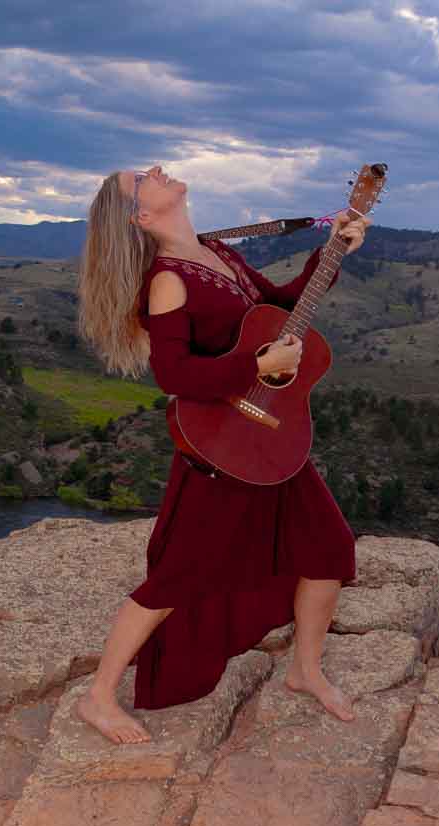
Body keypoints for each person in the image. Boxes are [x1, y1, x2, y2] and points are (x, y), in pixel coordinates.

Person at [74, 164, 370, 745]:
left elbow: (281, 306)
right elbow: (173, 374)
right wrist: (257, 367)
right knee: (176, 578)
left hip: (268, 439)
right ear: (142, 215)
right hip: (220, 446)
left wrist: (331, 252)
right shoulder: (168, 281)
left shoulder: (219, 253)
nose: (159, 169)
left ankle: (305, 671)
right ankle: (98, 696)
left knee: (329, 548)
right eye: (144, 177)